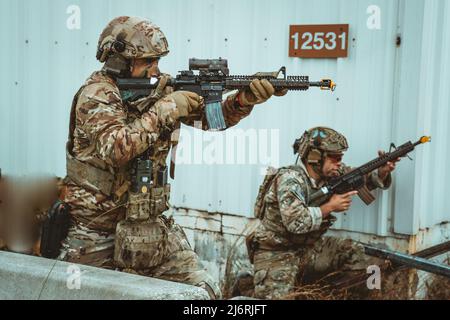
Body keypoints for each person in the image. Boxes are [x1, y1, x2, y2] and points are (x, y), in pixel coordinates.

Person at [59, 16, 285, 299]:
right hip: (96, 232)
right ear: (119, 61)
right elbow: (116, 148)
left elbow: (210, 121)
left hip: (150, 225)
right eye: (148, 61)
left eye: (157, 60)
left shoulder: (159, 89)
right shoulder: (97, 95)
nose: (156, 68)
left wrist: (243, 100)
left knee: (202, 293)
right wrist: (166, 109)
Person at [246, 126, 399, 299]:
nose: (339, 162)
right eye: (335, 158)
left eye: (341, 158)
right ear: (315, 158)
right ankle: (246, 288)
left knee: (359, 254)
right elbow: (296, 223)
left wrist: (382, 171)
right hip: (277, 252)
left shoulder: (331, 173)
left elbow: (360, 179)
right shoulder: (290, 180)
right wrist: (330, 207)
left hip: (309, 248)